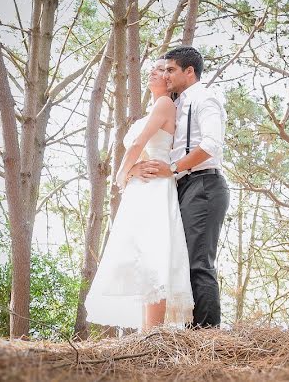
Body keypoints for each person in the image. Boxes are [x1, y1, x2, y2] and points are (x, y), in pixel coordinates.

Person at [85, 59, 194, 330]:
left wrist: (121, 175)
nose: (153, 72)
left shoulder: (165, 104)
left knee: (153, 254)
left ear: (170, 80)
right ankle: (146, 332)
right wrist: (131, 171)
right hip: (141, 187)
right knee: (140, 257)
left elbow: (137, 143)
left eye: (161, 70)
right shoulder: (152, 110)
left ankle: (153, 333)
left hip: (154, 187)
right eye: (153, 69)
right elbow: (137, 148)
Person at [131, 46, 230, 328]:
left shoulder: (205, 98)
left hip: (204, 184)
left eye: (172, 70)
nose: (167, 75)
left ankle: (207, 338)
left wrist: (174, 169)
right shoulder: (176, 106)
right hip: (182, 188)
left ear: (189, 71)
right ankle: (191, 334)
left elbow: (211, 144)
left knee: (198, 263)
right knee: (182, 263)